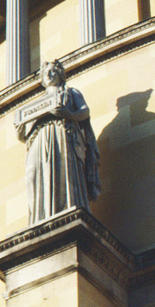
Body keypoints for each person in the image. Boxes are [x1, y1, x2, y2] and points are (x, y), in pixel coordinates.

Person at [16, 59, 101, 225]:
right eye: (45, 72)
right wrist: (21, 136)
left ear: (60, 74)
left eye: (52, 71)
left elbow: (84, 111)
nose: (48, 74)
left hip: (62, 134)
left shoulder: (70, 92)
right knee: (32, 176)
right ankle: (39, 219)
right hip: (38, 142)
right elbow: (25, 133)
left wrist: (68, 114)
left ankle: (66, 212)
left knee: (64, 172)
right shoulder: (35, 103)